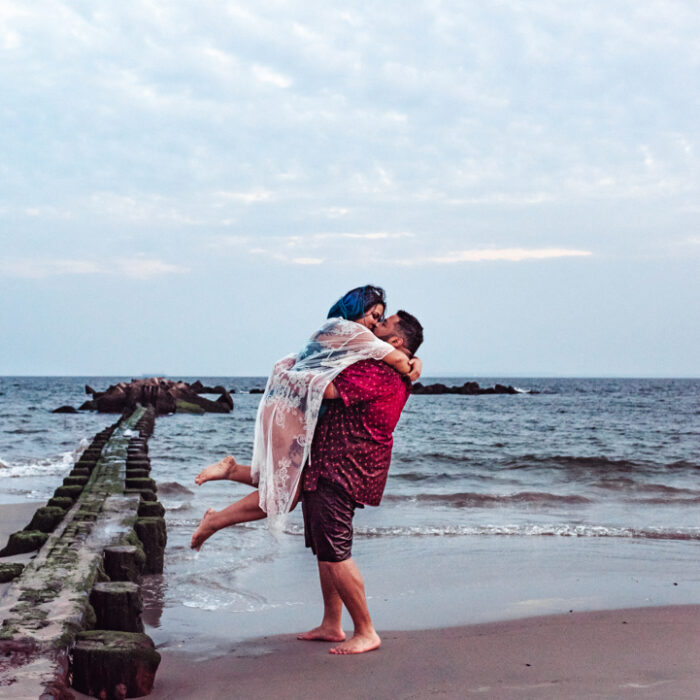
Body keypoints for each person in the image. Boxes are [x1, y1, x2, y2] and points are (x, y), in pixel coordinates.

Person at [191, 286, 421, 549]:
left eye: (380, 318)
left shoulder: (337, 329)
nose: (375, 323)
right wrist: (415, 364)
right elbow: (401, 362)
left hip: (288, 404)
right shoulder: (353, 331)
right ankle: (215, 519)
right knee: (287, 494)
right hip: (290, 409)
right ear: (357, 309)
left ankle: (231, 473)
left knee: (291, 477)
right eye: (374, 315)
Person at [299, 310, 424, 654]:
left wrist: (292, 371)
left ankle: (366, 630)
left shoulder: (379, 369)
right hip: (337, 463)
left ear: (396, 342)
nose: (372, 326)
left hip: (342, 467)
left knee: (337, 553)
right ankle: (331, 624)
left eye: (382, 324)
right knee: (326, 549)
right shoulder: (395, 368)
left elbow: (326, 390)